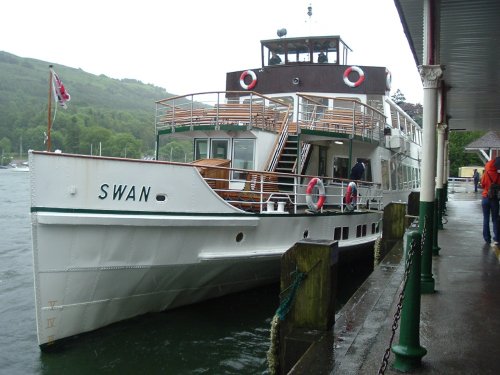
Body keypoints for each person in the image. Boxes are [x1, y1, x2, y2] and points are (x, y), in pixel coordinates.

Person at [480, 157, 500, 246]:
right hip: (494, 199)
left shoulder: (486, 173)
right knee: (495, 219)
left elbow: (482, 184)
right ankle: (497, 238)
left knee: (486, 218)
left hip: (485, 197)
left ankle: (487, 238)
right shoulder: (498, 175)